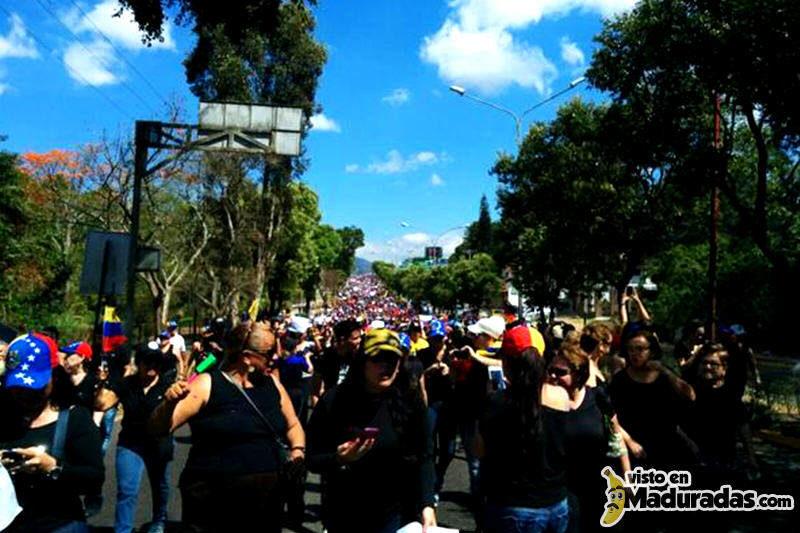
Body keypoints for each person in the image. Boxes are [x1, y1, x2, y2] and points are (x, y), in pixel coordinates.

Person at [149, 321, 305, 533]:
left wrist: (298, 450)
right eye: (269, 352)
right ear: (246, 356)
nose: (276, 356)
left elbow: (293, 424)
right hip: (212, 505)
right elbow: (158, 428)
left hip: (266, 506)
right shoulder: (207, 382)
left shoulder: (273, 385)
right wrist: (169, 403)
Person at [307, 329, 436, 533]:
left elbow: (425, 456)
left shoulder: (411, 402)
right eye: (378, 359)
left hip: (397, 514)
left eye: (392, 360)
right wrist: (339, 459)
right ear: (362, 362)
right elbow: (312, 458)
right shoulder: (334, 401)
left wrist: (427, 504)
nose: (386, 367)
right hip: (346, 512)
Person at [0, 333, 104, 533]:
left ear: (54, 376)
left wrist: (53, 468)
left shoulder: (75, 419)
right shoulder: (4, 418)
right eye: (17, 387)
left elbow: (94, 479)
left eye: (33, 385)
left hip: (60, 525)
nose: (24, 393)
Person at [475, 340, 570, 533]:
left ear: (507, 364)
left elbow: (479, 451)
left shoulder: (497, 402)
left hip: (514, 507)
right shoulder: (561, 395)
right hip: (556, 503)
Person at [546, 342, 629, 533]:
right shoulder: (546, 403)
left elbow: (616, 434)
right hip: (563, 489)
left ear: (578, 374)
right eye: (550, 370)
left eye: (559, 372)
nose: (552, 376)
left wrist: (627, 476)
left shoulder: (598, 397)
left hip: (600, 485)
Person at [95, 347, 174, 533]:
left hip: (159, 444)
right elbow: (102, 404)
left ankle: (159, 520)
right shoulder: (126, 384)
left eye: (155, 361)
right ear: (139, 364)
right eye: (147, 361)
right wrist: (102, 383)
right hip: (131, 444)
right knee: (126, 491)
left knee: (161, 486)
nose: (151, 366)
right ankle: (123, 530)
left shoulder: (168, 385)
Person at [608, 327, 696, 470]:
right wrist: (630, 442)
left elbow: (690, 395)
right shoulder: (620, 380)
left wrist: (664, 371)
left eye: (640, 349)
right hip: (636, 448)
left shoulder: (664, 376)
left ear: (652, 351)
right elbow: (610, 417)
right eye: (631, 349)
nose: (635, 354)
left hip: (667, 447)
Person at [312, 319, 362, 405]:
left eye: (360, 337)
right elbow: (315, 391)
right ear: (343, 340)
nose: (359, 341)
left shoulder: (362, 356)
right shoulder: (325, 358)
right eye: (355, 338)